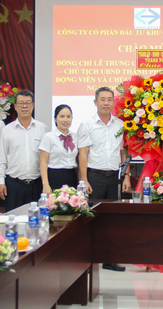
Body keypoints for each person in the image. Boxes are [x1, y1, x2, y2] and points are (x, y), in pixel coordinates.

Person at [77, 87, 131, 272]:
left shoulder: (120, 124)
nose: (106, 103)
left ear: (113, 102)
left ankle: (109, 259)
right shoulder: (87, 124)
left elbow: (124, 152)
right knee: (91, 217)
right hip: (95, 176)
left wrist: (126, 176)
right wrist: (84, 180)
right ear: (95, 102)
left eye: (109, 99)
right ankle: (88, 260)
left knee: (112, 219)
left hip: (115, 177)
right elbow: (83, 154)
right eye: (102, 99)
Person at [0, 89, 48, 211]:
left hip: (37, 184)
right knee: (14, 220)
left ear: (33, 106)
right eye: (21, 103)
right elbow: (1, 158)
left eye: (28, 103)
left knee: (37, 221)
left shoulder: (42, 129)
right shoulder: (7, 130)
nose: (25, 106)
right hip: (14, 185)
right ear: (15, 106)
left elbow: (46, 159)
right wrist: (1, 181)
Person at [40, 105, 79, 194]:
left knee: (72, 206)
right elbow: (43, 162)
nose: (65, 120)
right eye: (62, 116)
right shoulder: (48, 137)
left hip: (71, 176)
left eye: (68, 117)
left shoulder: (75, 137)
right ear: (55, 119)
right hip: (54, 176)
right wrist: (45, 184)